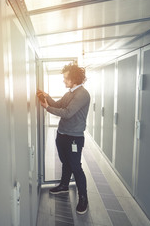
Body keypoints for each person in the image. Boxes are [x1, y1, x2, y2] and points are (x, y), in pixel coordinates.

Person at [37, 61, 90, 214]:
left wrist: (47, 108)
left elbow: (67, 113)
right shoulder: (70, 93)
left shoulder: (82, 95)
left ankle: (83, 198)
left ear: (74, 79)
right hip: (62, 134)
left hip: (74, 137)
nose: (64, 80)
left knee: (76, 167)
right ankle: (64, 185)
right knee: (65, 162)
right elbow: (59, 105)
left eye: (66, 78)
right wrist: (47, 97)